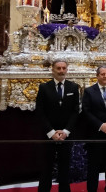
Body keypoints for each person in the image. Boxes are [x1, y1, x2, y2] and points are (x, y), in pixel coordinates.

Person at [36, 60, 80, 192]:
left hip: (65, 135)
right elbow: (40, 111)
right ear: (53, 70)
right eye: (58, 68)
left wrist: (66, 131)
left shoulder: (73, 87)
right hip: (48, 135)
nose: (61, 71)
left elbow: (75, 111)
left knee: (65, 168)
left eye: (64, 68)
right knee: (46, 168)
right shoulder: (44, 88)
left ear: (67, 70)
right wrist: (51, 132)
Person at [82, 66, 106, 192]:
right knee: (94, 166)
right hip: (95, 133)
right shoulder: (89, 91)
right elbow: (86, 111)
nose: (105, 76)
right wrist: (100, 125)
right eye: (102, 74)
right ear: (97, 76)